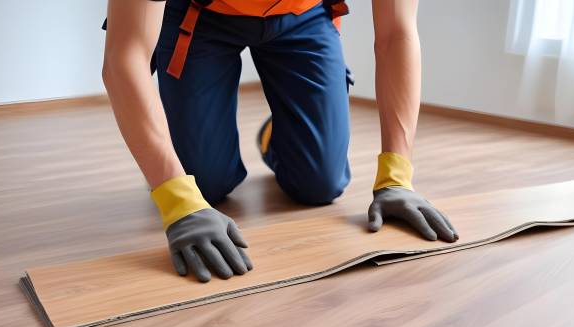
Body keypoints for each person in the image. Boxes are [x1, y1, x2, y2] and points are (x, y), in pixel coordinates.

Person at [102, 0, 457, 283]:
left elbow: (397, 33)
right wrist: (177, 200)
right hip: (202, 13)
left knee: (321, 185)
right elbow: (125, 56)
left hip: (303, 14)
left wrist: (397, 175)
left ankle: (280, 132)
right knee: (204, 185)